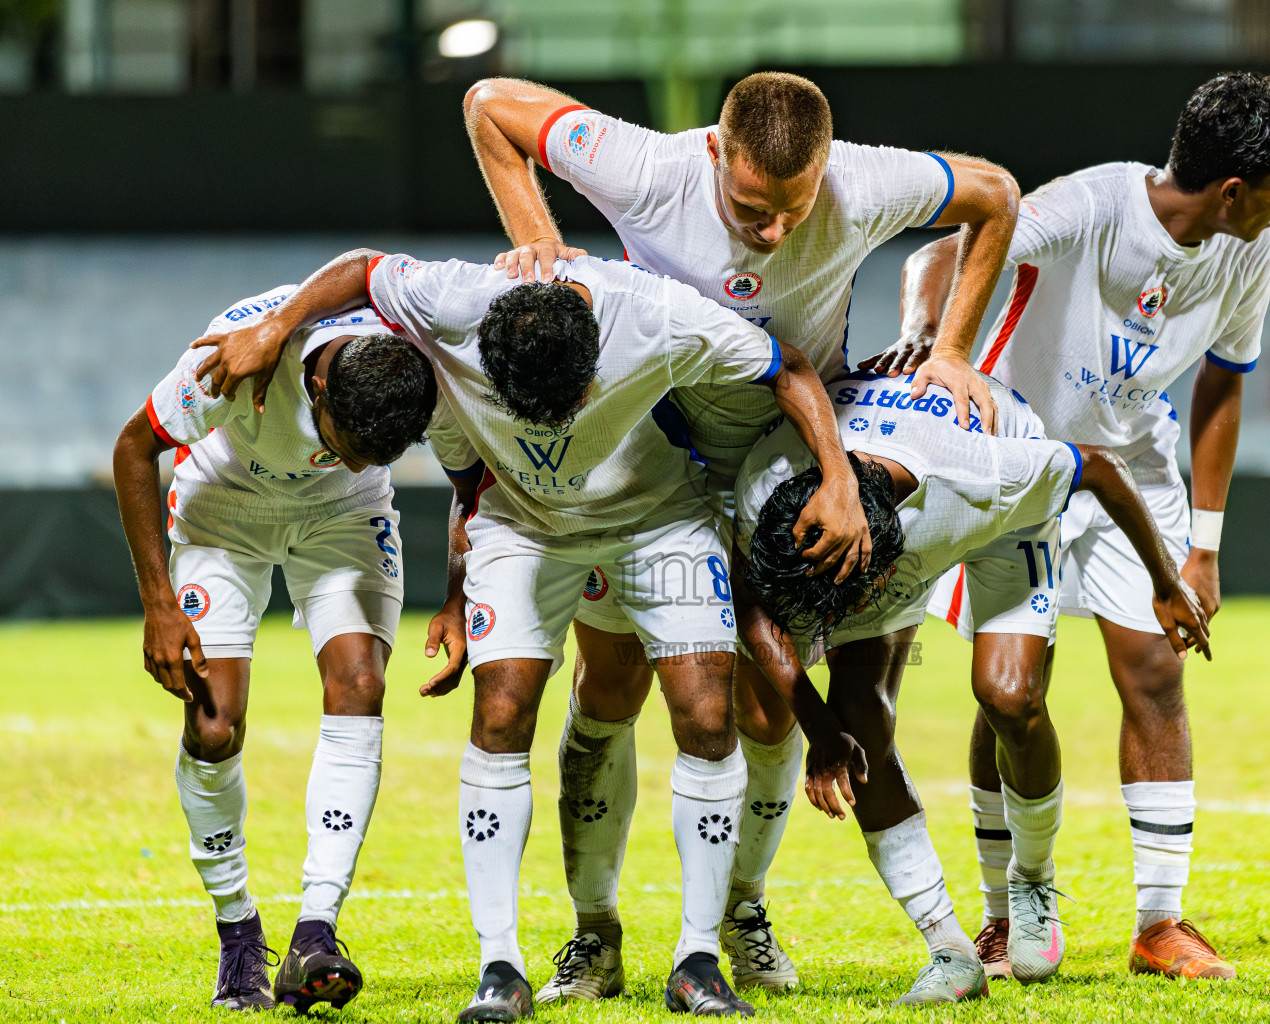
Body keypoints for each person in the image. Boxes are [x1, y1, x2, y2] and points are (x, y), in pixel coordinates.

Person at [193, 247, 870, 1019]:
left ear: (593, 371)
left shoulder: (657, 316)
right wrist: (280, 326)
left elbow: (790, 370)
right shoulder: (453, 298)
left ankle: (698, 961)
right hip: (521, 523)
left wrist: (840, 479)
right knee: (501, 711)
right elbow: (364, 266)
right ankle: (500, 967)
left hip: (655, 518)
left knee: (708, 715)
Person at [462, 68, 1020, 1000]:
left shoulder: (867, 184)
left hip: (784, 459)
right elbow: (489, 104)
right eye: (752, 208)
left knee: (768, 708)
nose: (771, 235)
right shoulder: (646, 168)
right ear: (716, 153)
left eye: (792, 213)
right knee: (609, 685)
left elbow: (995, 196)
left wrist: (952, 346)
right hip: (651, 461)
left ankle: (743, 912)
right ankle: (594, 934)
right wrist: (544, 251)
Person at [884, 71, 1270, 981]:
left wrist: (1202, 544)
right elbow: (939, 257)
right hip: (1017, 462)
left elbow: (1221, 382)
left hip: (1133, 468)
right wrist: (938, 345)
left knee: (1158, 673)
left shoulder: (1253, 246)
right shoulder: (1089, 205)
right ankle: (1006, 913)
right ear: (1235, 188)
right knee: (1009, 694)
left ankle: (1159, 924)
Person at [729, 370, 1210, 1004]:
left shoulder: (986, 477)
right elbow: (753, 601)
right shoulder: (768, 481)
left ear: (876, 575)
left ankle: (1032, 878)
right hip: (887, 505)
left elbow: (1100, 468)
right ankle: (949, 950)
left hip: (998, 517)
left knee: (1010, 695)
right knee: (856, 713)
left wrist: (1164, 580)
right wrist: (820, 729)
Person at [113, 294, 462, 1013]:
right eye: (339, 440)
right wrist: (157, 602)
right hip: (223, 508)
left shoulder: (412, 369)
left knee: (361, 683)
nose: (335, 453)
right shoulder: (236, 362)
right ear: (323, 388)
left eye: (367, 453)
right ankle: (238, 930)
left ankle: (316, 932)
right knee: (214, 726)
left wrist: (459, 593)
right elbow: (132, 447)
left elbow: (470, 469)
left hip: (343, 512)